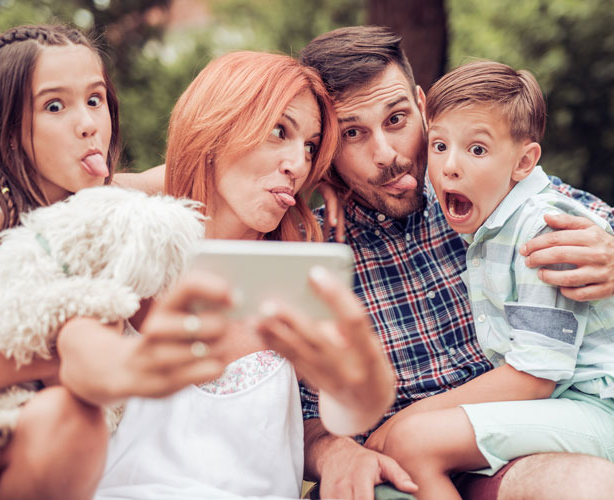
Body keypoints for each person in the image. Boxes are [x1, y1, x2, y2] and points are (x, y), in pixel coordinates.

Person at [287, 26, 614, 500]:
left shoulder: (495, 192)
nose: (387, 155)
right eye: (353, 133)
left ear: (423, 108)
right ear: (324, 145)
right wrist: (334, 452)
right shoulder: (307, 251)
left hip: (532, 427)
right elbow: (296, 413)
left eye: (398, 119)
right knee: (584, 484)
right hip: (405, 468)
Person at [0, 24, 242, 500]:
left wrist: (328, 172)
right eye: (54, 106)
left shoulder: (104, 205)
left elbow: (195, 173)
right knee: (72, 391)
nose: (88, 123)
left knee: (74, 418)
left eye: (95, 100)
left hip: (55, 445)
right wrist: (58, 355)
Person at [93, 51, 395, 500]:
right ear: (216, 126)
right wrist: (180, 173)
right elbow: (61, 196)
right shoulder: (128, 250)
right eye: (279, 132)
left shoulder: (296, 278)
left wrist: (365, 387)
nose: (298, 164)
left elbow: (350, 408)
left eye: (311, 148)